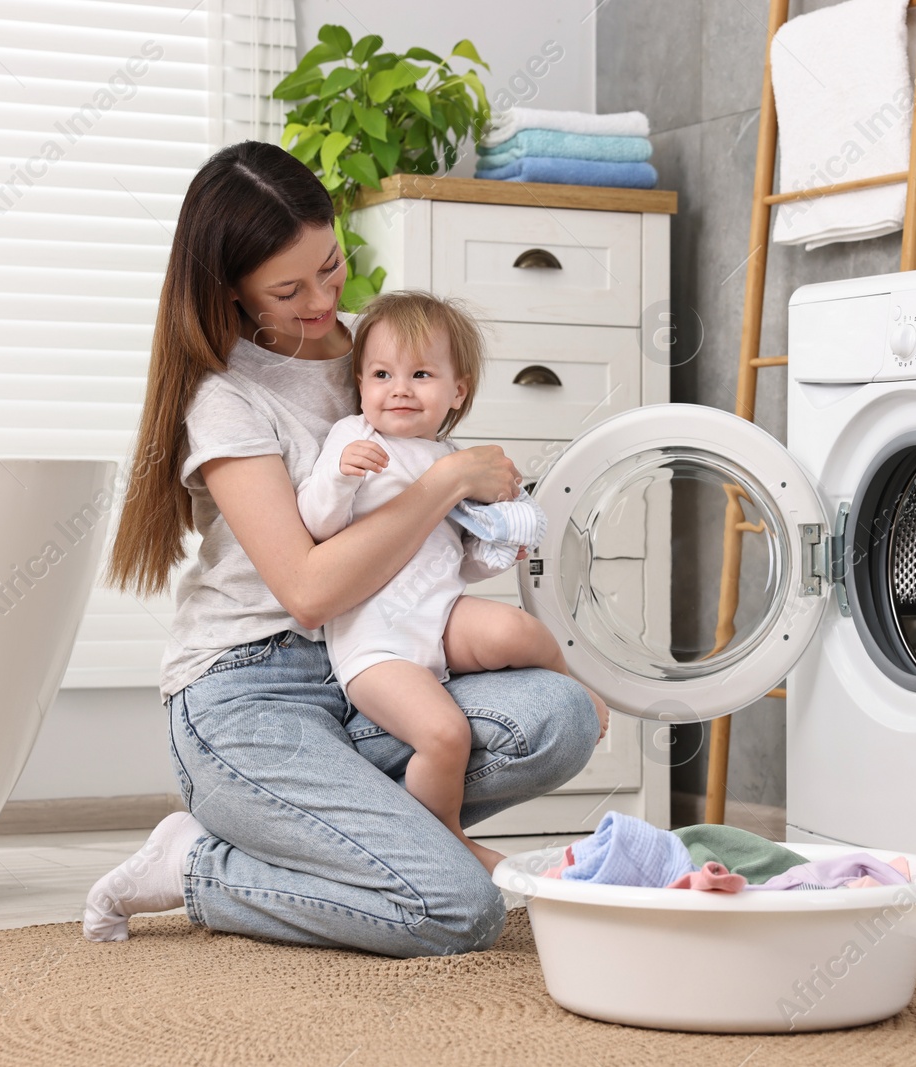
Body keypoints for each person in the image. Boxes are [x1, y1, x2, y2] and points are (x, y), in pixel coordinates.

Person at [79, 141, 605, 958]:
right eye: (288, 290)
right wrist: (446, 482)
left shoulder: (383, 351)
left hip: (377, 663)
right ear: (232, 290)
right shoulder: (228, 398)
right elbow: (309, 591)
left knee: (562, 715)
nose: (324, 301)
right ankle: (197, 864)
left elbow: (446, 508)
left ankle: (371, 847)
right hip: (250, 692)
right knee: (458, 911)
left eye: (330, 268)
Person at [295, 290, 610, 877]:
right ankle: (443, 831)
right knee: (443, 733)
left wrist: (498, 550)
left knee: (516, 630)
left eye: (421, 375)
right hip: (376, 646)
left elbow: (461, 561)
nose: (400, 389)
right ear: (361, 384)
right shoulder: (355, 439)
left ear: (456, 391)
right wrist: (339, 480)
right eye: (382, 374)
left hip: (438, 619)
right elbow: (316, 526)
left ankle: (578, 688)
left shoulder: (449, 456)